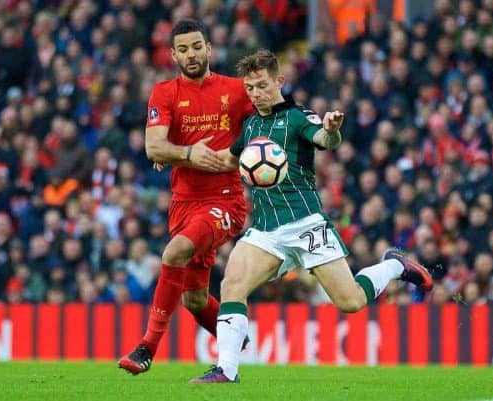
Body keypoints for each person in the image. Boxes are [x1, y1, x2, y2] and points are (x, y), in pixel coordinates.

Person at [190, 49, 434, 383]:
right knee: (232, 283)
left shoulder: (297, 117)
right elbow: (229, 159)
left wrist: (332, 129)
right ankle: (226, 371)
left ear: (279, 81)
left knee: (349, 301)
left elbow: (324, 139)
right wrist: (183, 157)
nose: (255, 93)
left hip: (306, 224)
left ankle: (394, 265)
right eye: (249, 88)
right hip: (266, 230)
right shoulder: (249, 127)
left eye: (261, 85)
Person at [118, 20, 254, 375]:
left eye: (197, 47)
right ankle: (232, 337)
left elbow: (270, 122)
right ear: (173, 55)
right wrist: (187, 153)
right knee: (194, 299)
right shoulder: (164, 92)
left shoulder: (236, 90)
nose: (191, 54)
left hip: (225, 200)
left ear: (209, 48)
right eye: (183, 49)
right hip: (183, 202)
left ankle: (146, 348)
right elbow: (153, 146)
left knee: (174, 251)